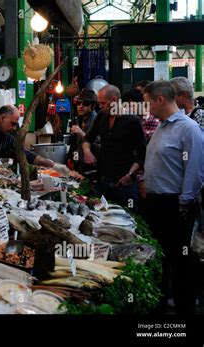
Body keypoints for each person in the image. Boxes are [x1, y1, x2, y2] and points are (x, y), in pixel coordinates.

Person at [143, 80, 203, 314]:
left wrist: (184, 202)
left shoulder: (188, 128)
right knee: (162, 260)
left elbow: (196, 170)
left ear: (160, 100)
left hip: (175, 205)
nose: (146, 110)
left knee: (180, 263)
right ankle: (161, 306)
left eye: (148, 103)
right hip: (157, 203)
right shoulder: (162, 126)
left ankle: (183, 312)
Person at [83, 85, 146, 210]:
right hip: (103, 180)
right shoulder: (101, 116)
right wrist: (87, 151)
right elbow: (87, 138)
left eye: (103, 103)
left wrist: (130, 175)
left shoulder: (132, 121)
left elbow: (142, 153)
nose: (100, 106)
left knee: (129, 218)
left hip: (124, 183)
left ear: (114, 99)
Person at [68, 88, 98, 180]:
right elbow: (75, 144)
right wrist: (71, 158)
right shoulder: (78, 120)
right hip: (80, 168)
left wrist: (83, 134)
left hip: (93, 170)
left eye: (85, 104)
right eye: (79, 103)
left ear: (92, 106)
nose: (81, 106)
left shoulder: (97, 121)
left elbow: (100, 146)